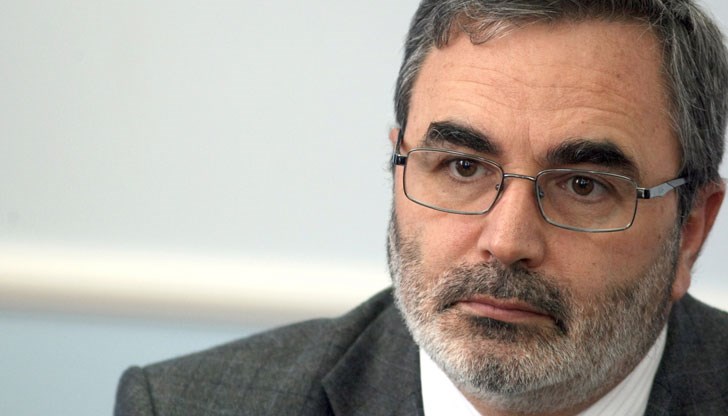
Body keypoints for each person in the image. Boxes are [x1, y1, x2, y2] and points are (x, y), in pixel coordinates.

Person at [115, 1, 728, 415]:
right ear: (398, 165)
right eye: (463, 167)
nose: (506, 240)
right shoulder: (184, 405)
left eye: (585, 186)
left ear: (691, 229)